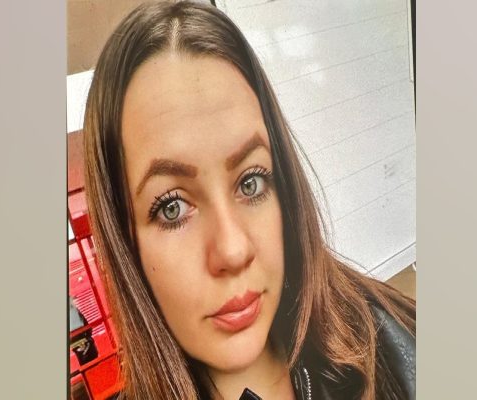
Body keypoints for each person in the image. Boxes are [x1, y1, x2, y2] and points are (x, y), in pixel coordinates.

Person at [82, 2, 415, 399]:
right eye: (172, 207)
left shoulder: (398, 341)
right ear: (124, 239)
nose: (234, 250)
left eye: (251, 182)